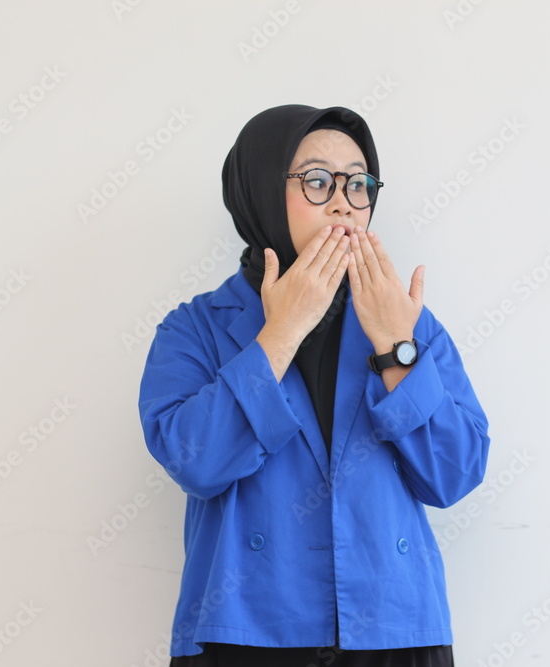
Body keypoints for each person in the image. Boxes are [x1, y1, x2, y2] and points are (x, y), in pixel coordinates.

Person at [138, 104, 490, 666]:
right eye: (318, 180)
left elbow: (455, 474)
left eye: (359, 183)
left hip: (394, 630)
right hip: (246, 631)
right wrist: (281, 333)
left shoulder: (405, 320)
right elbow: (195, 462)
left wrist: (396, 350)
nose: (344, 202)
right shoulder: (195, 328)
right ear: (259, 189)